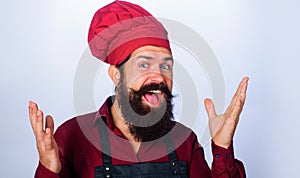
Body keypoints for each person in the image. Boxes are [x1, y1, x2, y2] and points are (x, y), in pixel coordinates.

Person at [29, 1, 248, 177]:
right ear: (116, 74)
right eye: (144, 64)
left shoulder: (185, 140)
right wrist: (50, 171)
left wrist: (222, 147)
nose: (159, 76)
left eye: (166, 66)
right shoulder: (72, 136)